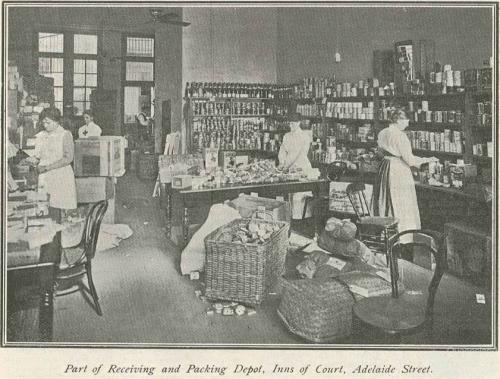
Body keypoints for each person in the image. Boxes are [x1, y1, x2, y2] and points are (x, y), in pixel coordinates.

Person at [372, 106, 438, 239]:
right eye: (406, 120)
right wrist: (428, 159)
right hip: (398, 170)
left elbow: (380, 152)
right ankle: (403, 237)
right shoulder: (400, 136)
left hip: (385, 166)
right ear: (399, 120)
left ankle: (387, 235)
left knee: (387, 201)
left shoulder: (383, 132)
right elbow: (410, 160)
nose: (408, 123)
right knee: (402, 203)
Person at [27, 107, 77, 221]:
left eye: (48, 122)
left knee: (57, 208)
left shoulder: (65, 134)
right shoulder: (41, 135)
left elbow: (68, 158)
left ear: (57, 121)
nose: (45, 125)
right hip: (44, 175)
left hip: (60, 175)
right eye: (43, 122)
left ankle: (57, 237)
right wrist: (31, 160)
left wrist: (47, 167)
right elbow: (38, 156)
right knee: (44, 206)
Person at [278, 112, 313, 219]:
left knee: (299, 195)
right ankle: (291, 218)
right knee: (289, 194)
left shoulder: (303, 136)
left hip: (301, 167)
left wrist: (285, 167)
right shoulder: (287, 136)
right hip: (289, 169)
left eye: (293, 123)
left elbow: (294, 154)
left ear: (298, 123)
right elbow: (282, 150)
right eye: (290, 124)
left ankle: (301, 219)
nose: (291, 126)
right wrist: (281, 162)